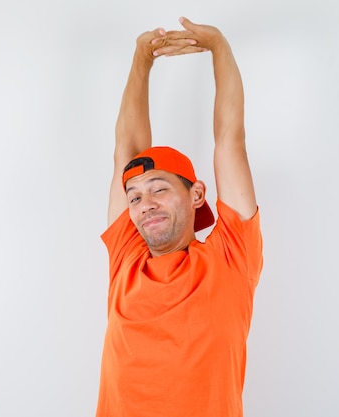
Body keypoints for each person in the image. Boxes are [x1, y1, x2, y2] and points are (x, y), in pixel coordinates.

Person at [96, 17, 263, 417]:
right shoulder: (126, 261)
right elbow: (128, 150)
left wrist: (220, 47)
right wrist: (142, 57)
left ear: (197, 194)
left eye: (159, 189)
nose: (144, 204)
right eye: (134, 197)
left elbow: (230, 140)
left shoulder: (231, 259)